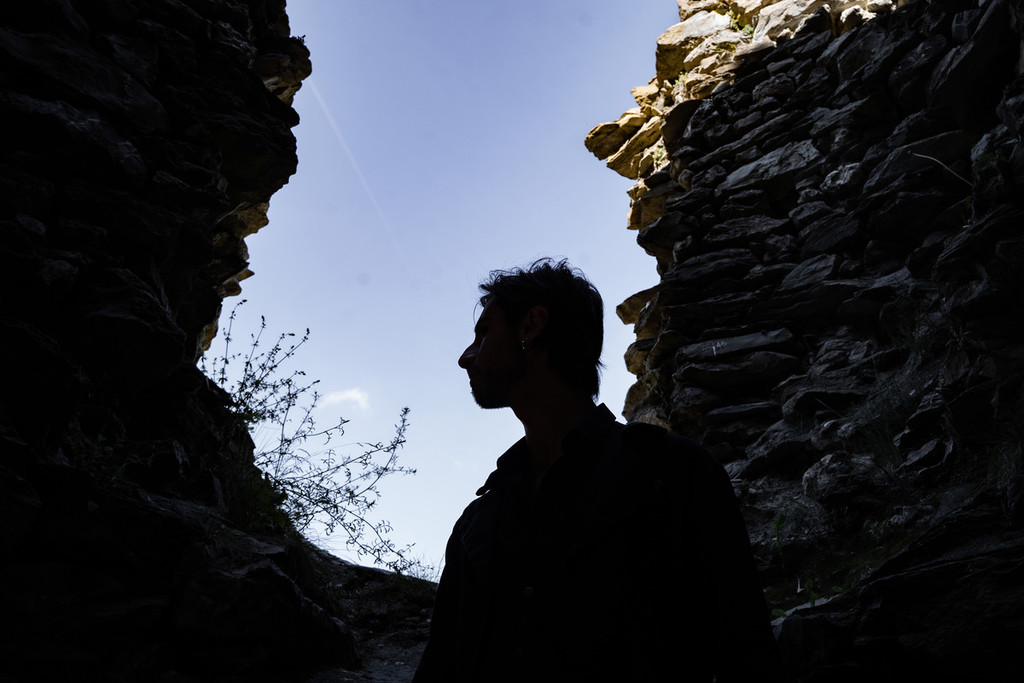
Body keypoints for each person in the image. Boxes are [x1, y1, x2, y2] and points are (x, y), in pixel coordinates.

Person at [413, 259, 784, 682]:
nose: (466, 357)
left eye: (483, 333)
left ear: (531, 325)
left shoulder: (676, 475)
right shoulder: (477, 522)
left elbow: (749, 656)